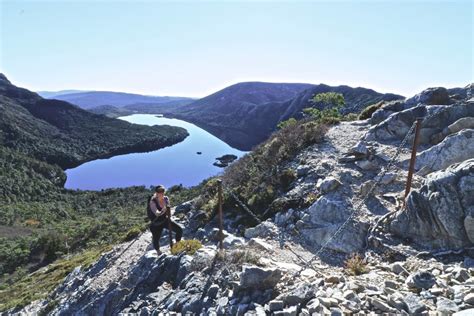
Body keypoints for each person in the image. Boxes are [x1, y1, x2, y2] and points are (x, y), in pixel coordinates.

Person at [148, 185, 183, 255]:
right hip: (156, 224)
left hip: (164, 220)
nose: (161, 193)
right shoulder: (153, 201)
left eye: (162, 191)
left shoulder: (166, 199)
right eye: (159, 191)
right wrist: (162, 211)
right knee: (156, 238)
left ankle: (177, 246)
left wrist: (167, 210)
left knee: (179, 230)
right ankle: (158, 251)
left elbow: (168, 209)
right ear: (156, 192)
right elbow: (156, 212)